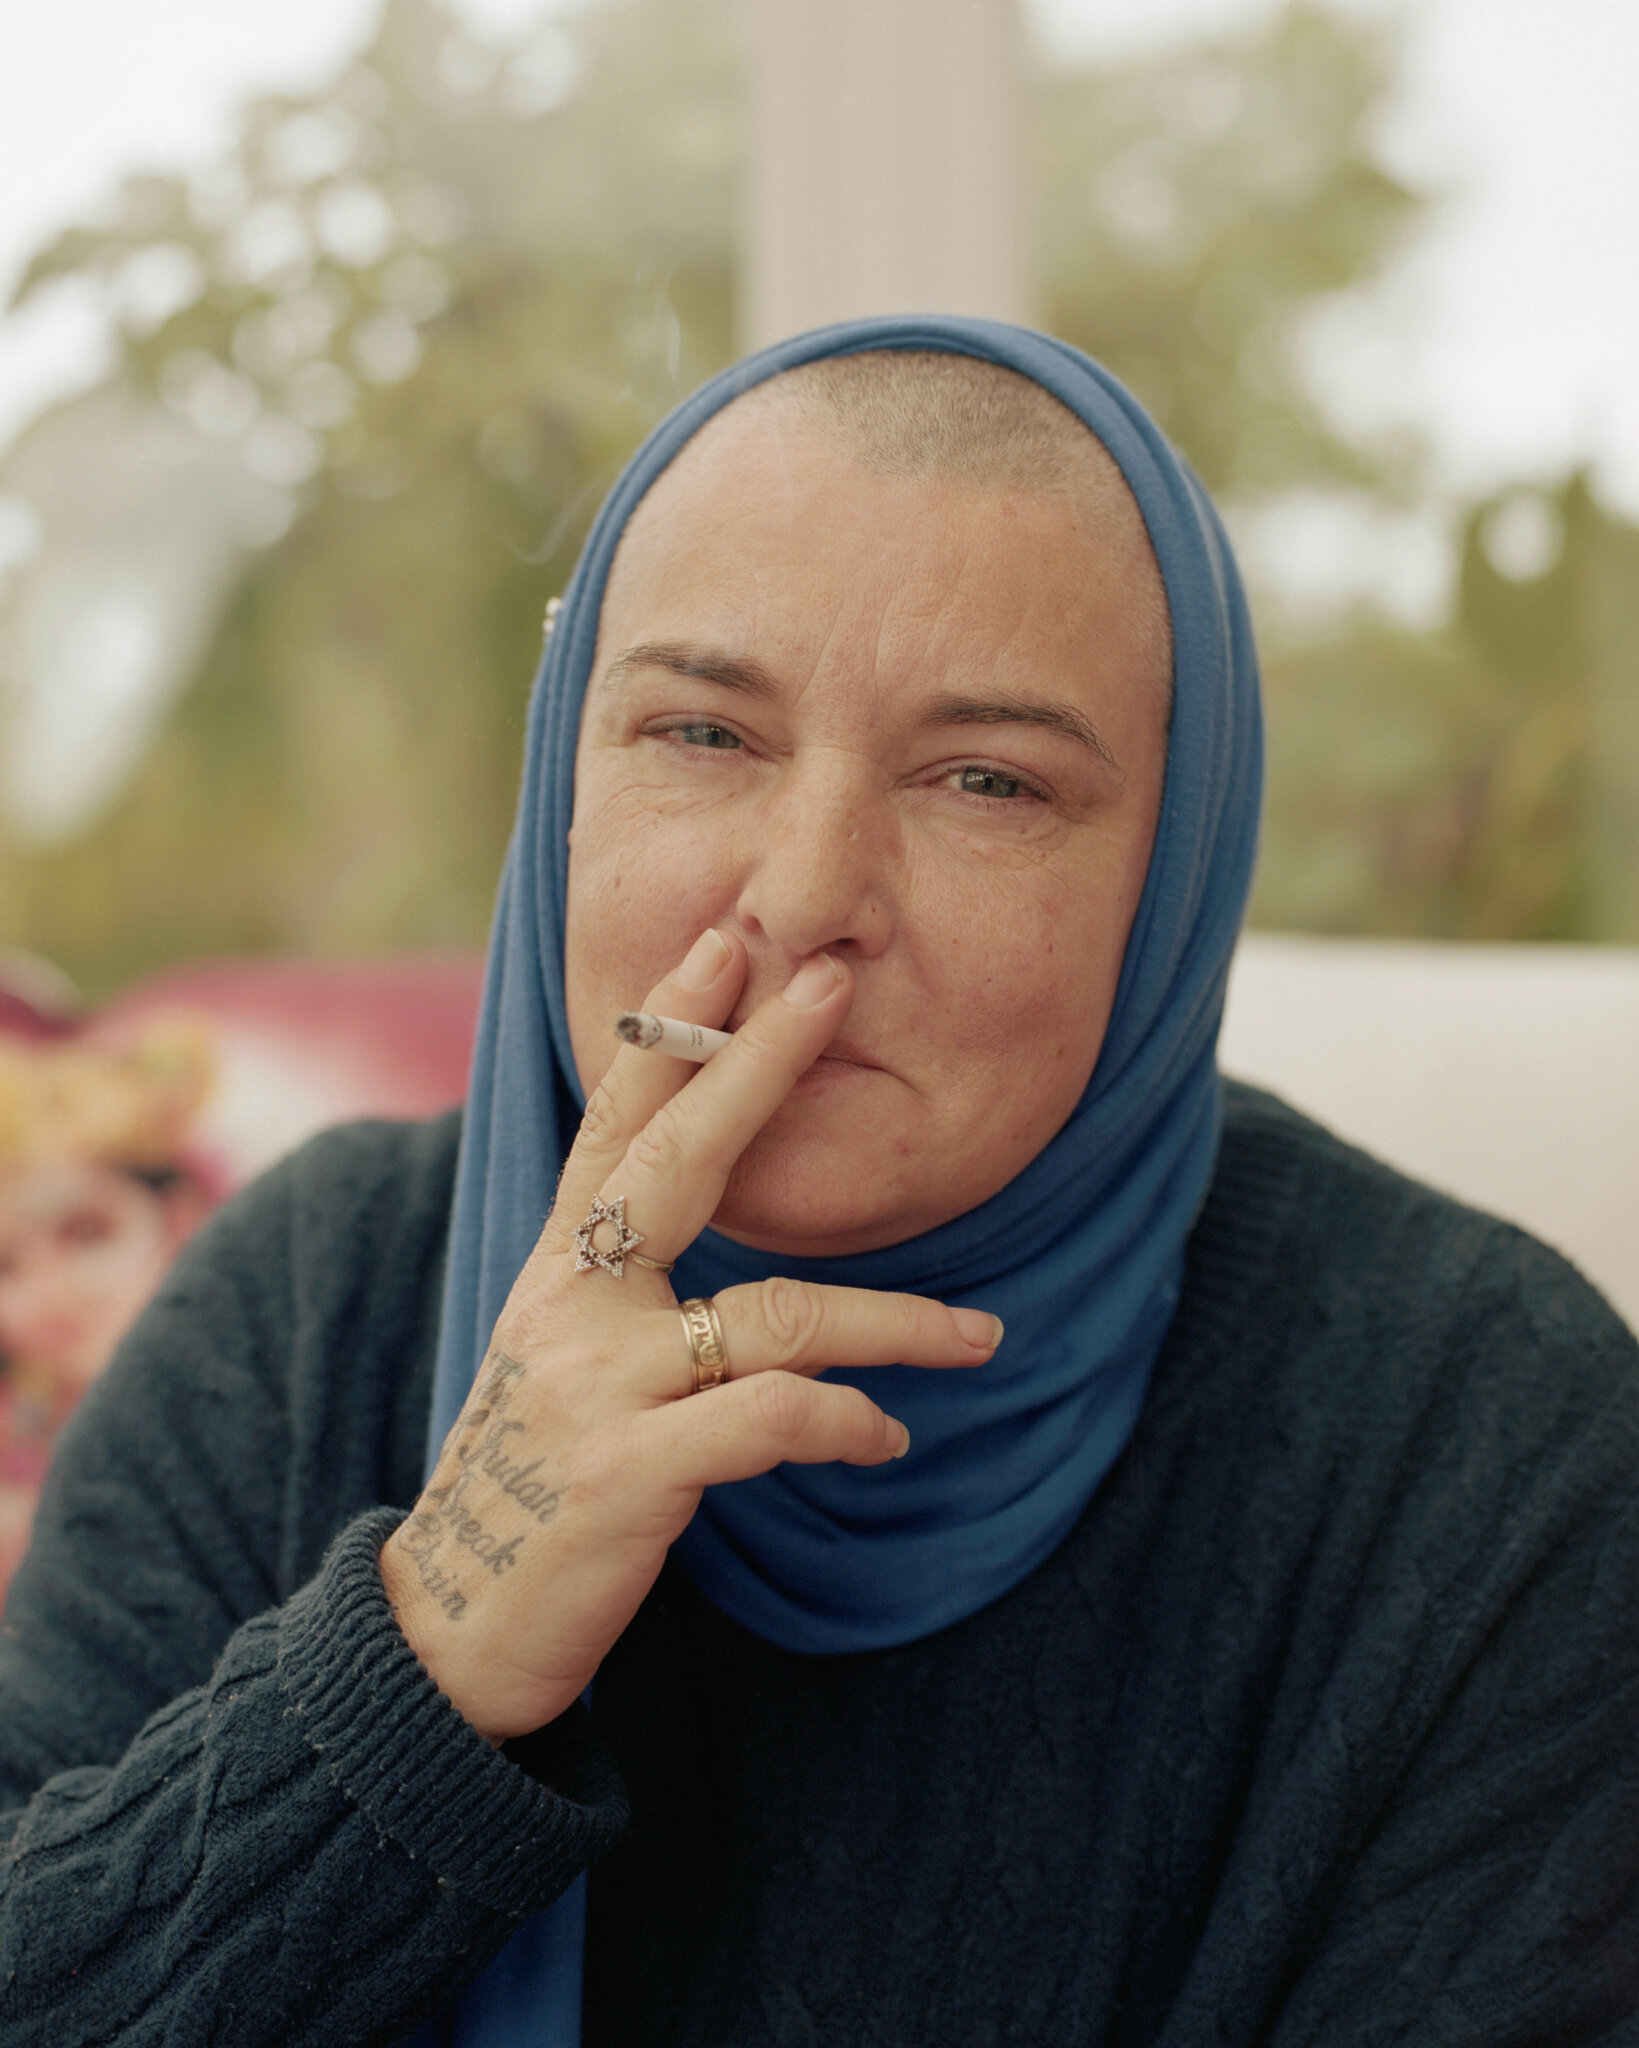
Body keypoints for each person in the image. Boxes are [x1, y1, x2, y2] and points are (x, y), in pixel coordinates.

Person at [1, 318, 1635, 2048]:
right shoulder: (311, 1298)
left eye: (989, 778)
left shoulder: (1494, 1448)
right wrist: (424, 1659)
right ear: (566, 783)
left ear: (1172, 880)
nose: (804, 894)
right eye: (703, 733)